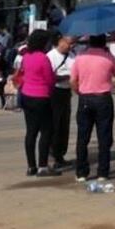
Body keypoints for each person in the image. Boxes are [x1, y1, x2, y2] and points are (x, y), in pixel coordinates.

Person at [69, 34, 115, 182]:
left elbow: (73, 80)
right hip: (103, 98)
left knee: (83, 136)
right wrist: (108, 54)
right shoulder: (107, 57)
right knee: (104, 137)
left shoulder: (80, 57)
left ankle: (81, 172)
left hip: (85, 97)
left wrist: (79, 91)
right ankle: (103, 172)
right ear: (104, 43)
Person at [19, 29, 57, 176]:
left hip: (26, 95)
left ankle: (31, 166)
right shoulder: (43, 58)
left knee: (31, 132)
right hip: (41, 96)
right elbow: (49, 79)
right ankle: (43, 166)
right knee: (46, 131)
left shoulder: (26, 57)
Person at [47, 34, 74, 170]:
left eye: (72, 44)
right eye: (68, 43)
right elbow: (50, 76)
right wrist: (66, 77)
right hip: (55, 92)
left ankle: (60, 155)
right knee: (54, 125)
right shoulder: (50, 56)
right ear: (60, 42)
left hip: (66, 92)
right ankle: (51, 155)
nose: (70, 46)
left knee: (64, 125)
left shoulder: (72, 56)